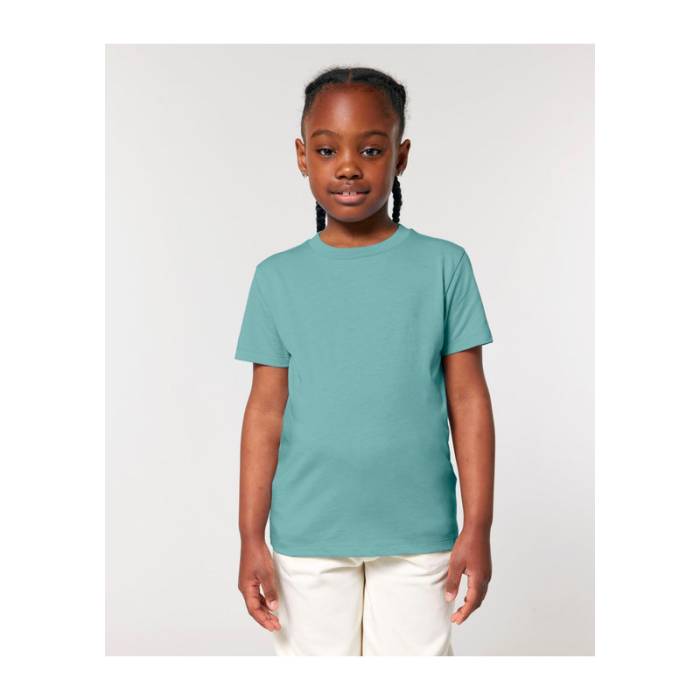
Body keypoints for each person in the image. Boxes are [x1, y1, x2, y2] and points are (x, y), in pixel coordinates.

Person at [234, 66, 495, 656]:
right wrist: (250, 535)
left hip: (419, 533)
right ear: (302, 157)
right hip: (308, 536)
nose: (348, 166)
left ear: (401, 156)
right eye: (328, 150)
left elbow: (469, 401)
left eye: (371, 150)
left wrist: (477, 526)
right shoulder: (277, 277)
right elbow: (265, 412)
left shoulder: (444, 266)